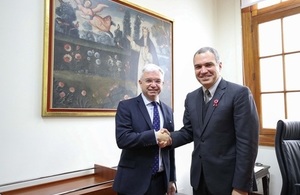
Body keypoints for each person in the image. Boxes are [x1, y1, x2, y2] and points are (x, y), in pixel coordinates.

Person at [164, 47, 259, 195]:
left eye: (208, 65)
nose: (203, 70)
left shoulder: (239, 94)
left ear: (219, 66)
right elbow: (189, 131)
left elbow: (247, 144)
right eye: (198, 67)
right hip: (199, 179)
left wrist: (240, 187)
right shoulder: (191, 97)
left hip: (229, 182)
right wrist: (168, 138)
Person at [113, 63, 176, 195]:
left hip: (160, 182)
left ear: (163, 84)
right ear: (140, 82)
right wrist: (155, 136)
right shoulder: (126, 106)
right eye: (148, 80)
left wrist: (171, 179)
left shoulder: (168, 111)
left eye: (158, 81)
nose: (153, 84)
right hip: (133, 182)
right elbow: (123, 139)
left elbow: (170, 148)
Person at [126, 27, 159, 94]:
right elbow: (136, 47)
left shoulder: (150, 44)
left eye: (145, 32)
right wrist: (132, 41)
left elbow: (153, 57)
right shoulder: (140, 42)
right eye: (143, 31)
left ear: (148, 33)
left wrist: (148, 55)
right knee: (140, 77)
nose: (144, 33)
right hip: (141, 63)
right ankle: (140, 93)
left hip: (148, 64)